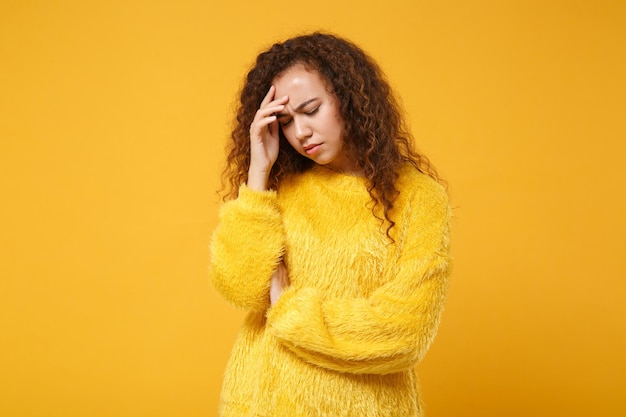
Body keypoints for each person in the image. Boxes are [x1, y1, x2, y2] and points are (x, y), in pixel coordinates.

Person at [209, 32, 451, 417]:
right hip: (260, 403)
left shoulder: (418, 197)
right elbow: (238, 285)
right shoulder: (281, 188)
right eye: (286, 121)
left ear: (349, 97)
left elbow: (404, 332)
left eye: (311, 110)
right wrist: (258, 173)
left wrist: (289, 312)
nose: (300, 133)